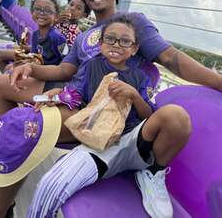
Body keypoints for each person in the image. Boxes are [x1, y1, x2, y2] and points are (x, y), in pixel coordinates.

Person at [0, 0, 221, 217]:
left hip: (105, 113)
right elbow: (63, 71)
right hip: (75, 99)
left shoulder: (133, 24)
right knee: (2, 87)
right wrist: (30, 68)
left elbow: (172, 58)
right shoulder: (83, 36)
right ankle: (5, 180)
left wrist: (218, 81)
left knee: (22, 127)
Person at [27, 15, 179, 218]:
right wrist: (58, 95)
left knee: (177, 115)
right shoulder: (91, 66)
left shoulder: (140, 77)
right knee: (50, 185)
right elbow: (76, 95)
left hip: (133, 139)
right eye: (110, 38)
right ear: (100, 43)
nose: (116, 44)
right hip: (98, 141)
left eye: (125, 41)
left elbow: (148, 116)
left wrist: (133, 95)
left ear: (134, 49)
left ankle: (153, 171)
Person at [0, 0, 68, 72]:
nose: (42, 13)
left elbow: (65, 62)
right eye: (37, 9)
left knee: (10, 69)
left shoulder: (58, 37)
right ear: (31, 12)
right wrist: (22, 62)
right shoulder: (35, 34)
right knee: (1, 58)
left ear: (56, 16)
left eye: (48, 10)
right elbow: (33, 55)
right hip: (34, 66)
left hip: (46, 73)